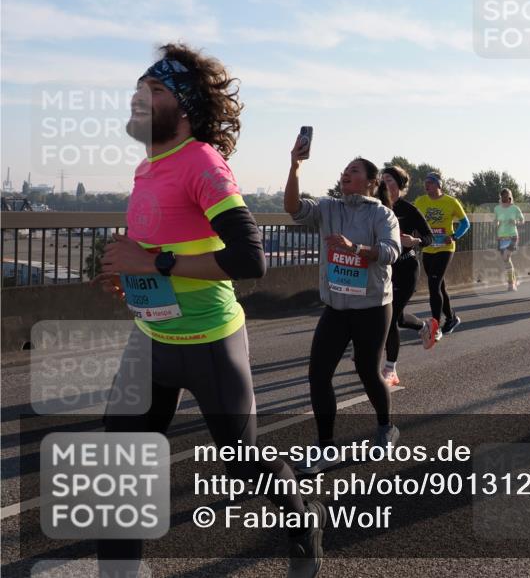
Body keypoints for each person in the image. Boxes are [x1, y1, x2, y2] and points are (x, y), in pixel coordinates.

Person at [96, 46, 325, 578]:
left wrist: (153, 262)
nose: (141, 100)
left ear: (188, 108)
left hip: (209, 343)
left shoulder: (202, 161)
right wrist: (125, 271)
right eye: (139, 90)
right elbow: (155, 246)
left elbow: (249, 258)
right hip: (151, 340)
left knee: (243, 464)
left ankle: (302, 521)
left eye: (155, 92)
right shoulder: (146, 168)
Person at [285, 150, 401, 471]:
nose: (345, 173)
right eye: (345, 169)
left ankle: (385, 427)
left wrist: (356, 249)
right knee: (318, 374)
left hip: (373, 308)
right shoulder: (328, 208)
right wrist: (295, 167)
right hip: (335, 308)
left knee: (366, 370)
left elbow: (391, 251)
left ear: (372, 182)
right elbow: (293, 209)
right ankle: (325, 447)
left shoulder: (382, 215)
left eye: (354, 170)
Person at [381, 165, 438, 388]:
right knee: (396, 316)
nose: (385, 185)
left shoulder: (409, 209)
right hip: (384, 270)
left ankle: (390, 369)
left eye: (390, 181)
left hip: (406, 269)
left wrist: (414, 242)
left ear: (400, 186)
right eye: (382, 180)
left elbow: (429, 238)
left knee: (392, 317)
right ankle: (425, 327)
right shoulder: (376, 207)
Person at [414, 173, 470, 334]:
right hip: (428, 248)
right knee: (439, 286)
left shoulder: (451, 202)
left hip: (445, 249)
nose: (427, 185)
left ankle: (435, 325)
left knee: (433, 284)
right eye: (425, 182)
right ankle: (451, 318)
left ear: (439, 185)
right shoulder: (420, 201)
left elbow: (465, 223)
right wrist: (416, 233)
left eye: (430, 182)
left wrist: (453, 236)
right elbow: (413, 221)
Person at [494, 188, 525, 291]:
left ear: (510, 196)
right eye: (503, 196)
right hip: (501, 237)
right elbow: (496, 220)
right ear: (501, 197)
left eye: (507, 196)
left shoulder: (515, 208)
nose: (505, 198)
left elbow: (522, 220)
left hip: (512, 236)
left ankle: (511, 284)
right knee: (506, 260)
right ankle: (514, 280)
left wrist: (516, 222)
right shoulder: (497, 208)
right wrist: (496, 223)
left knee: (506, 257)